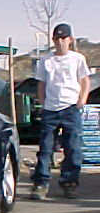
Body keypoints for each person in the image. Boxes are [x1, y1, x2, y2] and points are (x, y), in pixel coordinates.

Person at [30, 23, 91, 200]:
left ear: (70, 40)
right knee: (46, 148)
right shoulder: (46, 60)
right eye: (57, 38)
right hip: (50, 110)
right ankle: (41, 183)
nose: (60, 42)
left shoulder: (77, 59)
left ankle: (69, 183)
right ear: (53, 40)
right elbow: (41, 84)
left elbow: (85, 81)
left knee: (73, 148)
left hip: (71, 108)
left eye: (63, 38)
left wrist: (82, 100)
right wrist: (43, 103)